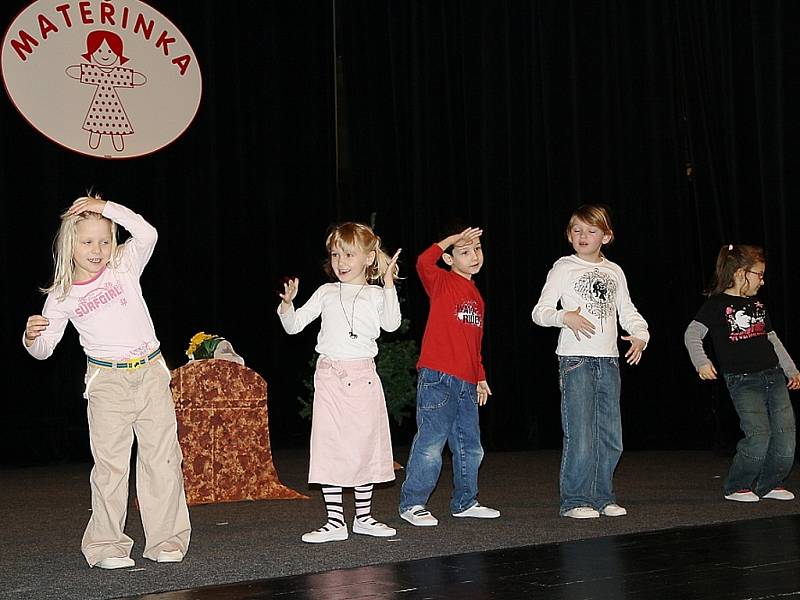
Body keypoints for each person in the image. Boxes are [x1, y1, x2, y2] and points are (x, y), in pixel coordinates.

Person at [23, 195, 190, 568]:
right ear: (70, 245)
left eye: (104, 240)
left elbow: (147, 233)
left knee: (162, 460)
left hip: (150, 373)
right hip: (107, 383)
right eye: (87, 242)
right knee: (112, 467)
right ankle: (107, 546)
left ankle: (166, 540)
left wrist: (108, 208)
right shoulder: (62, 294)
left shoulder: (124, 266)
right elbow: (44, 350)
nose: (97, 249)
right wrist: (31, 338)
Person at [278, 222, 402, 543]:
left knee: (364, 448)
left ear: (369, 258)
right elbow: (294, 327)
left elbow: (391, 324)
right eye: (335, 255)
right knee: (329, 446)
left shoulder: (376, 294)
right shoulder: (326, 292)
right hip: (330, 378)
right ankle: (335, 522)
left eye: (349, 255)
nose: (341, 262)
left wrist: (389, 285)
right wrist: (288, 305)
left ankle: (363, 517)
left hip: (362, 378)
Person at [532, 205, 649, 519]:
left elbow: (628, 311)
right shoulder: (563, 267)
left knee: (610, 434)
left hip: (609, 361)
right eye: (577, 230)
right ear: (569, 235)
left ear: (606, 236)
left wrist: (640, 334)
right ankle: (575, 500)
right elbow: (539, 311)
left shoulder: (615, 271)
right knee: (581, 433)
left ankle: (603, 496)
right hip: (576, 360)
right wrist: (563, 316)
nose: (583, 236)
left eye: (591, 230)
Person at [398, 226, 500, 527]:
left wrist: (479, 376)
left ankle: (465, 502)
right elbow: (422, 262)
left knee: (470, 445)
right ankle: (412, 503)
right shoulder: (442, 280)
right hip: (439, 377)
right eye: (464, 251)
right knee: (431, 443)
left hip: (467, 382)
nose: (474, 256)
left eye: (477, 250)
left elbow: (474, 343)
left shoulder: (477, 297)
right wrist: (449, 240)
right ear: (449, 258)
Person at [684, 244, 799, 502]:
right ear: (740, 273)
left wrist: (790, 368)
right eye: (758, 274)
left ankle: (769, 483)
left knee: (786, 437)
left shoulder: (758, 304)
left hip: (773, 376)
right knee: (759, 436)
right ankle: (737, 485)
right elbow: (692, 334)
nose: (762, 280)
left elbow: (772, 339)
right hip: (743, 381)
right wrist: (701, 362)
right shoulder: (716, 304)